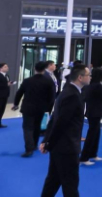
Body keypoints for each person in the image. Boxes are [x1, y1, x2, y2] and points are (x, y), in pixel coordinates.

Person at [39, 65, 90, 197]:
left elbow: (54, 119)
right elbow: (60, 123)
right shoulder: (73, 95)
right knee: (70, 185)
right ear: (80, 77)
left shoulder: (67, 92)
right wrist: (48, 143)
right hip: (67, 147)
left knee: (53, 181)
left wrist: (47, 141)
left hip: (60, 147)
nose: (90, 77)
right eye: (88, 75)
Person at [12, 61, 55, 157]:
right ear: (44, 69)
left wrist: (16, 104)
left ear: (34, 69)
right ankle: (34, 145)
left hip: (28, 107)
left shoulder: (27, 80)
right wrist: (48, 107)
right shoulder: (48, 81)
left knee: (27, 127)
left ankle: (29, 149)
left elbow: (19, 93)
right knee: (37, 126)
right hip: (41, 108)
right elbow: (51, 97)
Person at [80, 68, 102, 165]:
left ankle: (92, 154)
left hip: (91, 112)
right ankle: (84, 158)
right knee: (92, 135)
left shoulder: (89, 85)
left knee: (96, 134)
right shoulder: (98, 86)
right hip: (95, 113)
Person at [0, 63, 16, 128]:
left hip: (5, 95)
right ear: (1, 68)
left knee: (2, 109)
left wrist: (10, 83)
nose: (7, 68)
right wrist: (6, 84)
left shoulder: (7, 75)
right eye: (5, 67)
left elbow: (7, 83)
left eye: (7, 66)